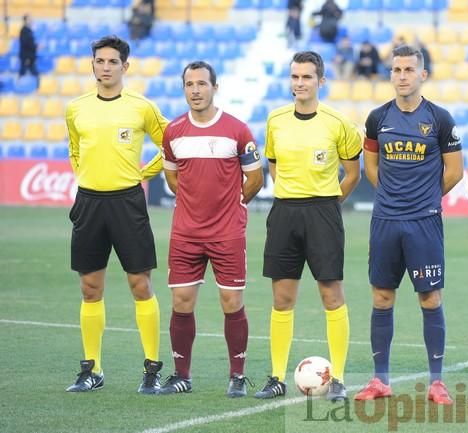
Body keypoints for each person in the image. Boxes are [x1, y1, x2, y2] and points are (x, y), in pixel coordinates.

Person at [354, 44, 464, 404]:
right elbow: (370, 166)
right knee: (382, 296)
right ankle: (380, 380)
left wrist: (426, 199)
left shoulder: (440, 119)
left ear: (422, 75)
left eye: (408, 70)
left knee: (430, 297)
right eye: (396, 70)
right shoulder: (377, 118)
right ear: (391, 75)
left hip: (424, 222)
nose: (402, 76)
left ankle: (436, 382)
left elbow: (454, 171)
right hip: (386, 219)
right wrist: (390, 194)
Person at [254, 51, 362, 401]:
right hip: (285, 212)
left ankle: (340, 379)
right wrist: (293, 194)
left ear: (321, 81)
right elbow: (273, 167)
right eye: (295, 77)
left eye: (307, 77)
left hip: (323, 214)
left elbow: (353, 173)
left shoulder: (338, 123)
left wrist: (329, 203)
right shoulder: (275, 120)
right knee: (282, 298)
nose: (300, 83)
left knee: (331, 295)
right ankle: (276, 377)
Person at [65, 35, 168, 394]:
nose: (105, 67)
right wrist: (83, 177)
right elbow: (75, 148)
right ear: (92, 64)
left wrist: (145, 173)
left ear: (126, 66)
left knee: (140, 285)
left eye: (112, 62)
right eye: (99, 61)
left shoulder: (142, 106)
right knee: (89, 287)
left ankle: (152, 368)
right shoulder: (76, 108)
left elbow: (170, 141)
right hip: (89, 203)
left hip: (127, 202)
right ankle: (92, 369)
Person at [158, 61, 264, 396]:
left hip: (227, 233)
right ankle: (181, 375)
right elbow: (172, 178)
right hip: (186, 233)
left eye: (202, 84)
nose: (195, 90)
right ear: (184, 88)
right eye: (189, 84)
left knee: (231, 302)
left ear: (215, 88)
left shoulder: (237, 130)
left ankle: (236, 376)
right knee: (181, 300)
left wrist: (233, 205)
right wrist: (193, 204)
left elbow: (256, 178)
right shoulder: (173, 131)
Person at [18, 14, 39, 85]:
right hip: (26, 56)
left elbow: (30, 43)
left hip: (30, 56)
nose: (31, 21)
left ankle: (37, 87)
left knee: (33, 73)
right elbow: (26, 44)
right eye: (29, 19)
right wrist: (36, 46)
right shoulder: (24, 31)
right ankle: (19, 86)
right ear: (25, 21)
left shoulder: (29, 31)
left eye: (31, 19)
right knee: (24, 72)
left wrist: (36, 46)